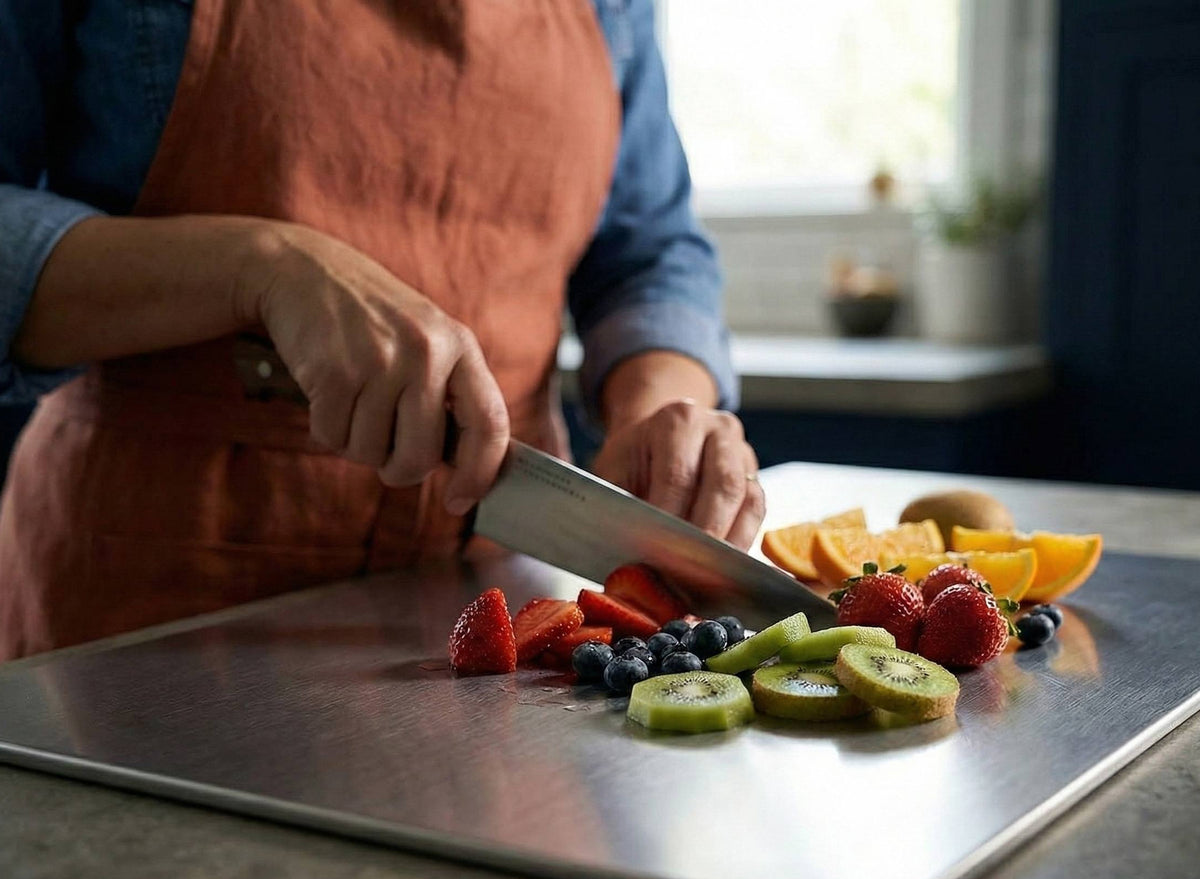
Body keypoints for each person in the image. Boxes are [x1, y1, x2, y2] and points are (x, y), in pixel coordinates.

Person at [0, 0, 764, 660]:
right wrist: (261, 264)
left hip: (504, 598)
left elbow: (650, 251)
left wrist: (658, 403)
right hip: (149, 612)